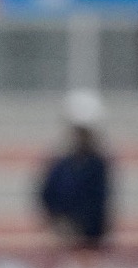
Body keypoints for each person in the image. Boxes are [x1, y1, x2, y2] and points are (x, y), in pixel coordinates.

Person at [36, 89, 114, 251]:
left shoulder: (97, 164)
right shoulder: (61, 163)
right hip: (64, 236)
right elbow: (47, 193)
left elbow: (99, 204)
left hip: (89, 240)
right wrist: (58, 220)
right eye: (78, 132)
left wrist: (83, 228)